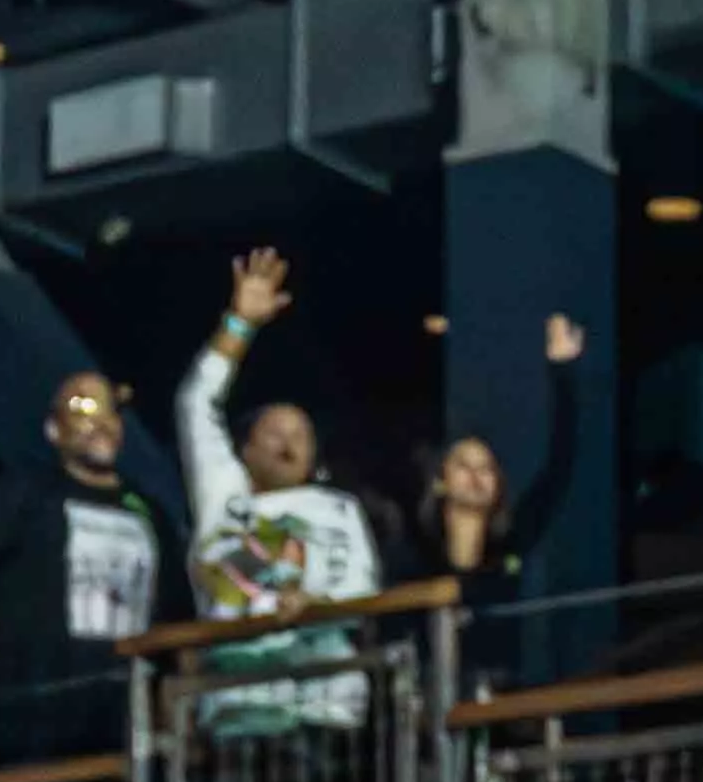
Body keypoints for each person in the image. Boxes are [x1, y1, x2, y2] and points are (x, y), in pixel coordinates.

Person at [169, 250, 389, 739]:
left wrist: (314, 603)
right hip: (238, 703)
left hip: (325, 704)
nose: (288, 443)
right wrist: (239, 325)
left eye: (301, 435)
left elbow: (361, 589)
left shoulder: (340, 509)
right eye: (273, 432)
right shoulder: (223, 493)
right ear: (244, 449)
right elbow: (194, 402)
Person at [0, 366, 184, 764]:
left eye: (109, 410)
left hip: (124, 718)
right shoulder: (26, 494)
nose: (99, 421)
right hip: (33, 718)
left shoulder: (148, 511)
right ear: (54, 430)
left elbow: (175, 613)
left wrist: (174, 704)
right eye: (82, 406)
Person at [417, 313, 586, 637]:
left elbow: (559, 468)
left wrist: (562, 370)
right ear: (440, 480)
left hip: (503, 685)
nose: (476, 476)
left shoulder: (512, 544)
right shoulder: (417, 551)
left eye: (486, 469)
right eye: (463, 465)